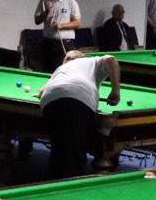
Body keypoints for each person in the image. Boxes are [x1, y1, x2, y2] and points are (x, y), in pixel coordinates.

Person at [38, 49, 120, 177]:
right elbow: (111, 59)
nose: (67, 60)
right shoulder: (90, 61)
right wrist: (115, 91)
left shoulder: (63, 68)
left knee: (58, 147)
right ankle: (72, 182)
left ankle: (53, 182)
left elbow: (42, 90)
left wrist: (41, 93)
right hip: (79, 96)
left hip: (50, 100)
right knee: (76, 149)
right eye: (66, 58)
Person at [32, 0, 82, 73]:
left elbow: (77, 23)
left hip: (66, 43)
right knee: (48, 71)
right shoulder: (44, 1)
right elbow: (37, 21)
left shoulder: (71, 2)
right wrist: (46, 11)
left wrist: (61, 26)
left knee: (63, 71)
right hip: (49, 43)